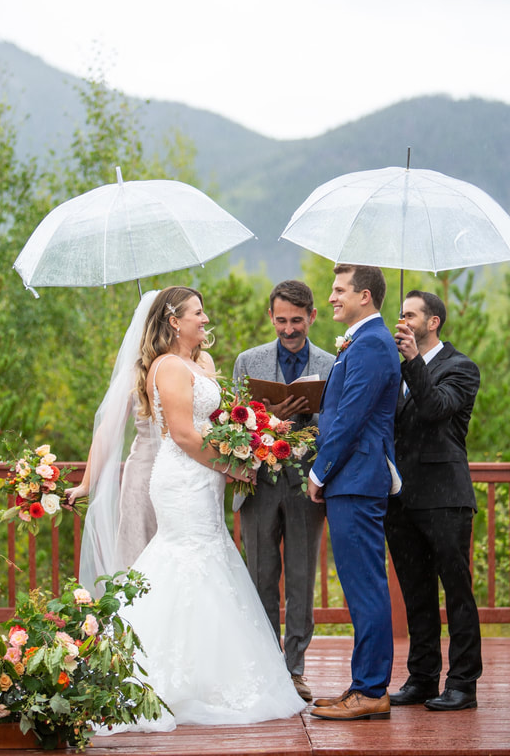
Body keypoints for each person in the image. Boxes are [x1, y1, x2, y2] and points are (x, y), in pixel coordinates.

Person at [87, 286, 306, 733]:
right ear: (174, 321)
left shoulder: (201, 363)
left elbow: (223, 418)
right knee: (182, 558)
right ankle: (156, 677)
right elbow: (185, 435)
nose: (205, 320)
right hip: (181, 477)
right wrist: (233, 465)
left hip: (205, 478)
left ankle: (210, 673)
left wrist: (258, 432)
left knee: (213, 557)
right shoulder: (167, 367)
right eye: (198, 313)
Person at [232, 280, 335, 701]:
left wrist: (313, 415)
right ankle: (266, 667)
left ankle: (294, 669)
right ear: (270, 317)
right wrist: (268, 415)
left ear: (311, 316)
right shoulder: (247, 360)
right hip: (258, 483)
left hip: (307, 484)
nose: (289, 329)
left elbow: (339, 422)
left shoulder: (331, 363)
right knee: (260, 577)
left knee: (299, 578)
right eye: (281, 320)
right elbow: (231, 421)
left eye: (296, 320)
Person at [307, 264, 401, 721]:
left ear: (365, 296)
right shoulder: (363, 342)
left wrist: (319, 472)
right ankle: (362, 685)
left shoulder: (371, 345)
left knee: (365, 587)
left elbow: (349, 417)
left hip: (356, 479)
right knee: (360, 585)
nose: (331, 297)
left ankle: (371, 689)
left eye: (339, 290)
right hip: (354, 479)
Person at [385, 290, 482, 711]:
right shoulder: (398, 367)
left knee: (457, 593)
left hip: (445, 499)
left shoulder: (461, 368)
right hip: (401, 499)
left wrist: (411, 363)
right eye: (400, 314)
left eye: (410, 315)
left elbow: (436, 408)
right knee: (416, 594)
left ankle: (463, 685)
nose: (402, 321)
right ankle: (422, 678)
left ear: (433, 322)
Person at [65, 290, 161, 593]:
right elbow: (107, 431)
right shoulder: (135, 372)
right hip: (144, 474)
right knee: (138, 558)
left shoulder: (200, 362)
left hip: (189, 477)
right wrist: (85, 484)